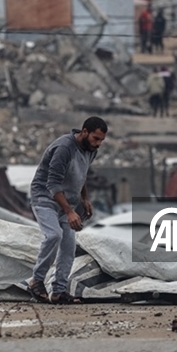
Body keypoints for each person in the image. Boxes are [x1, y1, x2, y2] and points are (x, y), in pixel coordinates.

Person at [27, 116, 108, 304]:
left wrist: (84, 198)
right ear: (84, 132)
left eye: (102, 140)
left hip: (68, 202)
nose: (98, 144)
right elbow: (53, 184)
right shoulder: (64, 148)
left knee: (69, 245)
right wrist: (70, 212)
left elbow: (82, 175)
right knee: (54, 235)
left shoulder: (90, 150)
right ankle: (36, 281)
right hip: (45, 197)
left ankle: (59, 291)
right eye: (96, 138)